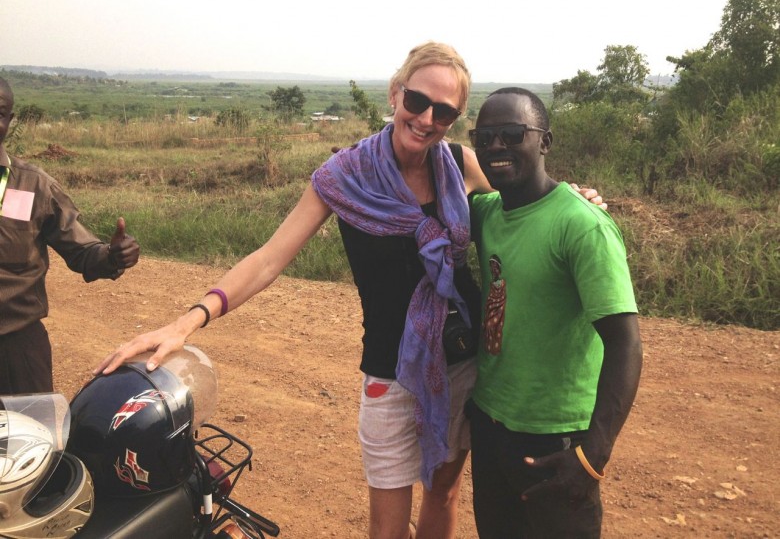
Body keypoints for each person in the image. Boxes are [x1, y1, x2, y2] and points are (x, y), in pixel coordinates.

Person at [94, 43, 602, 539]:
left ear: (455, 117)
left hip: (461, 362)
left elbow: (524, 211)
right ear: (395, 93)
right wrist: (187, 321)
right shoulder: (343, 176)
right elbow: (269, 259)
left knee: (443, 494)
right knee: (386, 524)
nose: (426, 119)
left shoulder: (460, 163)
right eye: (418, 101)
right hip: (389, 369)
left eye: (444, 111)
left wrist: (571, 200)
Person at [465, 87, 643, 538]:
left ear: (545, 141)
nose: (496, 147)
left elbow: (625, 343)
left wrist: (593, 456)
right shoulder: (486, 214)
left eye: (511, 133)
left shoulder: (582, 225)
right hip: (490, 425)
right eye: (484, 138)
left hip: (556, 438)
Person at [0, 77, 140, 395]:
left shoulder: (35, 187)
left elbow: (82, 250)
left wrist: (111, 255)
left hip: (16, 349)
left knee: (32, 440)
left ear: (10, 121)